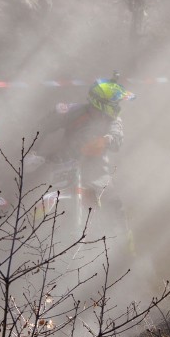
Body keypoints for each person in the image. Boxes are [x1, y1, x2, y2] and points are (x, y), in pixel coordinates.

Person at [34, 73, 135, 234]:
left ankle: (124, 249)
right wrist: (33, 153)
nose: (118, 106)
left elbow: (117, 138)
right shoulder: (73, 111)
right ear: (101, 101)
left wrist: (107, 139)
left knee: (115, 206)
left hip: (96, 171)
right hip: (63, 164)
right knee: (36, 198)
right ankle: (30, 235)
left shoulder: (113, 120)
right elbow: (42, 126)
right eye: (114, 102)